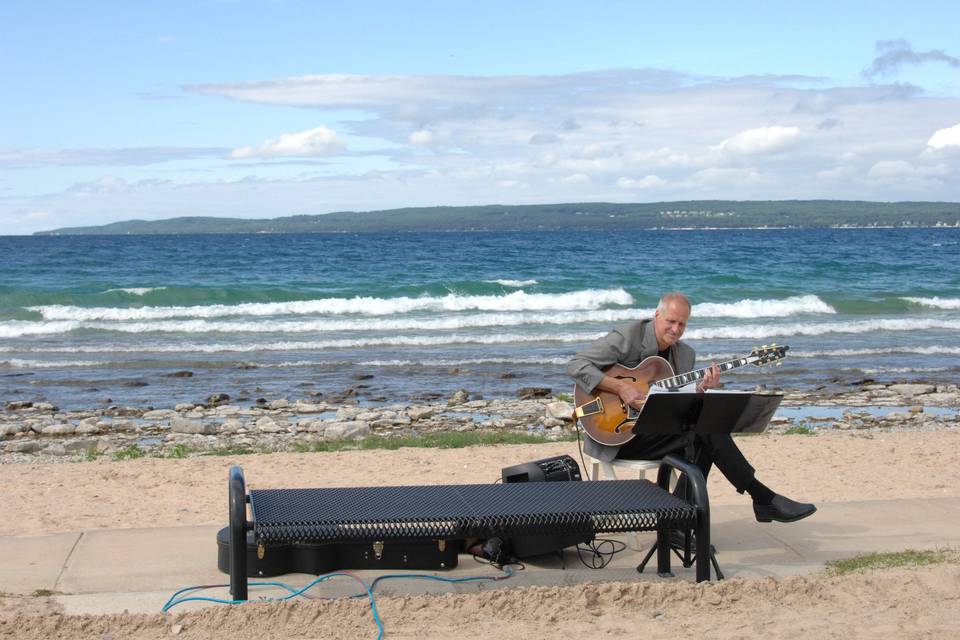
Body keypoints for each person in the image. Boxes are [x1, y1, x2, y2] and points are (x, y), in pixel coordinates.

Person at [566, 292, 816, 523]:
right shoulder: (628, 337)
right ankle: (760, 498)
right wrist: (620, 388)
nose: (675, 330)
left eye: (682, 324)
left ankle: (685, 522)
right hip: (617, 435)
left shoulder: (685, 355)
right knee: (704, 434)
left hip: (656, 431)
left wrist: (702, 390)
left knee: (703, 433)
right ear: (657, 315)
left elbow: (678, 405)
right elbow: (576, 365)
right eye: (671, 321)